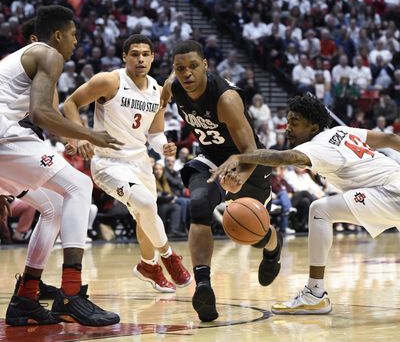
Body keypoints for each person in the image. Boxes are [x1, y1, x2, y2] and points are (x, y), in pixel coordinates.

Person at [209, 93, 400, 314]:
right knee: (321, 210)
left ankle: (314, 294)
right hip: (391, 186)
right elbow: (390, 139)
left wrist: (241, 157)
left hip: (390, 191)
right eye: (288, 122)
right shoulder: (342, 132)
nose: (287, 128)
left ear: (313, 126)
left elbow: (282, 158)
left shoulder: (318, 146)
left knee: (320, 210)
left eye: (295, 123)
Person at [1, 5, 122, 326]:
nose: (76, 42)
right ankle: (71, 294)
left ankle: (26, 297)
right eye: (73, 35)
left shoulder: (20, 60)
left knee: (54, 205)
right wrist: (89, 133)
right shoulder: (48, 54)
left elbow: (44, 113)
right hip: (2, 135)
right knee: (79, 186)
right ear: (57, 35)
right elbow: (42, 114)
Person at [161, 40, 282, 322]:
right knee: (199, 204)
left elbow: (251, 151)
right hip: (210, 159)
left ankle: (272, 247)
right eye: (180, 68)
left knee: (252, 232)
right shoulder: (173, 85)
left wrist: (238, 176)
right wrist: (162, 140)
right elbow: (160, 107)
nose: (187, 73)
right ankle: (203, 284)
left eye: (193, 66)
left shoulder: (225, 99)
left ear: (205, 65)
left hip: (248, 158)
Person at [63, 34, 192, 294]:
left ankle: (148, 265)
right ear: (124, 57)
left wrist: (163, 145)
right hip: (109, 163)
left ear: (153, 57)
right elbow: (71, 103)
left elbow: (154, 134)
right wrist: (81, 136)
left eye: (146, 54)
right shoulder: (109, 81)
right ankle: (168, 256)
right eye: (134, 54)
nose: (140, 58)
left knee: (146, 214)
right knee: (145, 204)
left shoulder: (157, 90)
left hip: (140, 162)